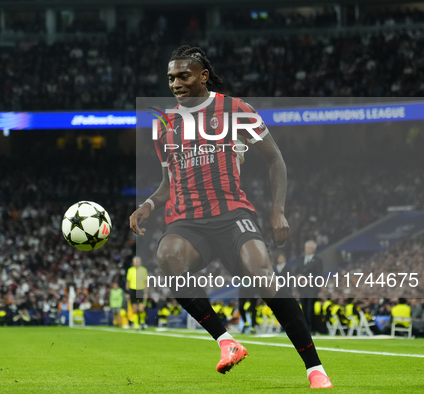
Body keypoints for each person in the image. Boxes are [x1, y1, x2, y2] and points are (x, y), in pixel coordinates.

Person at [129, 45, 332, 388]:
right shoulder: (163, 124)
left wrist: (277, 212)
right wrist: (148, 204)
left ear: (203, 76)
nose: (175, 83)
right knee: (167, 255)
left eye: (183, 75)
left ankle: (314, 367)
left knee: (264, 276)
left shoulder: (236, 110)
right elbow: (168, 184)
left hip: (232, 214)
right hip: (187, 220)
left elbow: (275, 160)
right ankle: (226, 341)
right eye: (170, 78)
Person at [293, 240, 324, 333]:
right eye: (307, 247)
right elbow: (295, 271)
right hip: (302, 288)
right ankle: (305, 327)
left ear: (314, 249)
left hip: (312, 288)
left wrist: (309, 280)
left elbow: (319, 274)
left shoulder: (318, 260)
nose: (308, 249)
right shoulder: (300, 259)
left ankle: (311, 328)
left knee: (310, 308)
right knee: (304, 308)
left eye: (310, 248)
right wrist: (298, 276)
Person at [126, 256, 148, 329]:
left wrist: (146, 292)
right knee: (134, 309)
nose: (136, 263)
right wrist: (127, 292)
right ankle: (136, 325)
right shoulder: (130, 270)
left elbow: (146, 281)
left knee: (141, 308)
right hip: (132, 290)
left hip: (141, 290)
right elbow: (128, 282)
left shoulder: (144, 270)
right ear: (133, 263)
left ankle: (142, 322)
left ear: (140, 262)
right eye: (135, 262)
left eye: (137, 262)